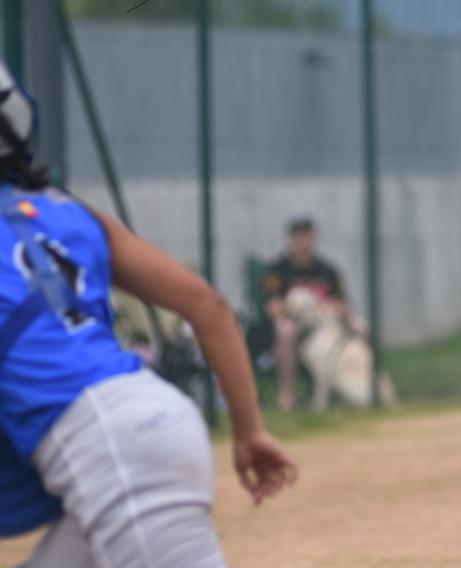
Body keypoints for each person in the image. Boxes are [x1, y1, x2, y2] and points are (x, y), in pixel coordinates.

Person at [0, 61, 297, 567]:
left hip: (111, 451)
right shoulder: (68, 212)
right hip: (149, 422)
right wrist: (250, 431)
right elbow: (209, 306)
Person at [261, 217, 349, 410]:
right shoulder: (277, 270)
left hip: (323, 324)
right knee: (286, 331)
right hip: (294, 323)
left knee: (360, 326)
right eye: (298, 237)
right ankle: (286, 395)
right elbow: (272, 308)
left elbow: (342, 305)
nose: (303, 242)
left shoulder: (327, 270)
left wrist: (325, 307)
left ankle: (354, 385)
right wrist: (292, 308)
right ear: (290, 239)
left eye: (307, 236)